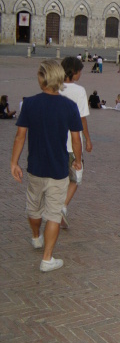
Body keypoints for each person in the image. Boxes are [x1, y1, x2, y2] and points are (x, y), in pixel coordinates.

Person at [10, 60, 83, 272]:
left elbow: (20, 136)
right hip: (58, 168)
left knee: (33, 207)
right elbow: (75, 139)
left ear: (42, 78)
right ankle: (47, 259)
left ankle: (35, 237)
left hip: (35, 167)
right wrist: (77, 161)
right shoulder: (69, 106)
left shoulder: (29, 103)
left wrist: (14, 162)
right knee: (53, 213)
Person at [59, 57, 93, 228]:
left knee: (59, 178)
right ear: (74, 72)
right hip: (73, 143)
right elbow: (82, 119)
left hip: (55, 142)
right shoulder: (79, 91)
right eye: (80, 71)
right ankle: (62, 207)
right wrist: (87, 139)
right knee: (76, 178)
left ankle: (56, 207)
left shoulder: (55, 87)